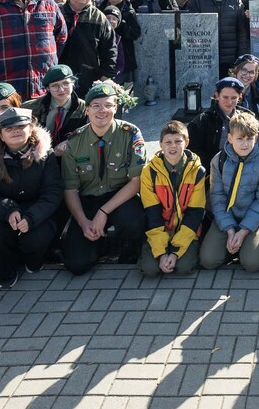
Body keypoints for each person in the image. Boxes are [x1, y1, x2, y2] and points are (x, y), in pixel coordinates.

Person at [60, 83, 147, 275]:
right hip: (88, 199)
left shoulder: (131, 134)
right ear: (87, 110)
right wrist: (83, 222)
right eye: (96, 105)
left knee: (133, 222)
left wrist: (103, 212)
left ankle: (129, 247)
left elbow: (136, 182)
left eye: (108, 105)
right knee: (77, 264)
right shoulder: (74, 141)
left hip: (120, 197)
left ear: (116, 108)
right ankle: (99, 244)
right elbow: (70, 189)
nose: (102, 110)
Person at [0, 107, 62, 288]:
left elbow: (52, 192)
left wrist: (31, 217)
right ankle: (7, 264)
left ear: (30, 129)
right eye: (9, 129)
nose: (15, 131)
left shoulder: (45, 155)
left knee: (36, 238)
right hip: (3, 212)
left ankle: (33, 258)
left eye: (21, 127)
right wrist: (8, 210)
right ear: (1, 135)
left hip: (37, 212)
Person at [199, 111, 259, 273]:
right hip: (228, 217)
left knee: (251, 263)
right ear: (230, 138)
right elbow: (217, 197)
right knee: (208, 260)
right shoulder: (219, 160)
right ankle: (231, 248)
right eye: (240, 139)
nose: (245, 144)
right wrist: (229, 230)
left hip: (256, 218)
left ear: (256, 137)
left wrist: (242, 232)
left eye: (249, 138)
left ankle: (245, 246)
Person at [138, 119, 205, 275]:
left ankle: (182, 252)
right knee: (150, 270)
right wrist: (161, 253)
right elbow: (152, 215)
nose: (173, 146)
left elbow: (195, 214)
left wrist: (175, 252)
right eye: (168, 142)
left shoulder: (197, 171)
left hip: (186, 232)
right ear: (160, 145)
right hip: (158, 231)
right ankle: (149, 253)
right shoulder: (149, 172)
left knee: (183, 268)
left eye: (178, 141)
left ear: (186, 143)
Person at [186, 0, 249, 77]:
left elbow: (242, 31)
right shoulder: (196, 0)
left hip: (230, 58)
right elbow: (191, 30)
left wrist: (242, 57)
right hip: (205, 58)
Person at [59, 0, 117, 95]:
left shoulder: (99, 18)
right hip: (59, 72)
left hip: (88, 74)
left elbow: (110, 49)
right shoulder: (58, 13)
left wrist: (106, 76)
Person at [23, 65, 87, 155]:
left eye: (65, 83)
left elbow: (91, 133)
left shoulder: (85, 108)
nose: (61, 89)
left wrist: (70, 142)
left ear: (73, 83)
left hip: (72, 155)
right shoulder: (30, 108)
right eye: (55, 86)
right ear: (48, 88)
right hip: (39, 156)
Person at [187, 77, 245, 170]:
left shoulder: (247, 119)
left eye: (234, 98)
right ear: (217, 95)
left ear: (240, 97)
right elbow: (193, 151)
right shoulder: (202, 121)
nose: (229, 102)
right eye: (225, 97)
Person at [98, 0, 141, 84]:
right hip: (103, 52)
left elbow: (135, 33)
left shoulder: (129, 12)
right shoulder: (100, 9)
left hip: (123, 53)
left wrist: (120, 25)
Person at [231, 54, 259, 148]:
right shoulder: (225, 94)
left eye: (251, 72)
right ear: (236, 70)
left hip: (254, 146)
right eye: (244, 70)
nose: (247, 75)